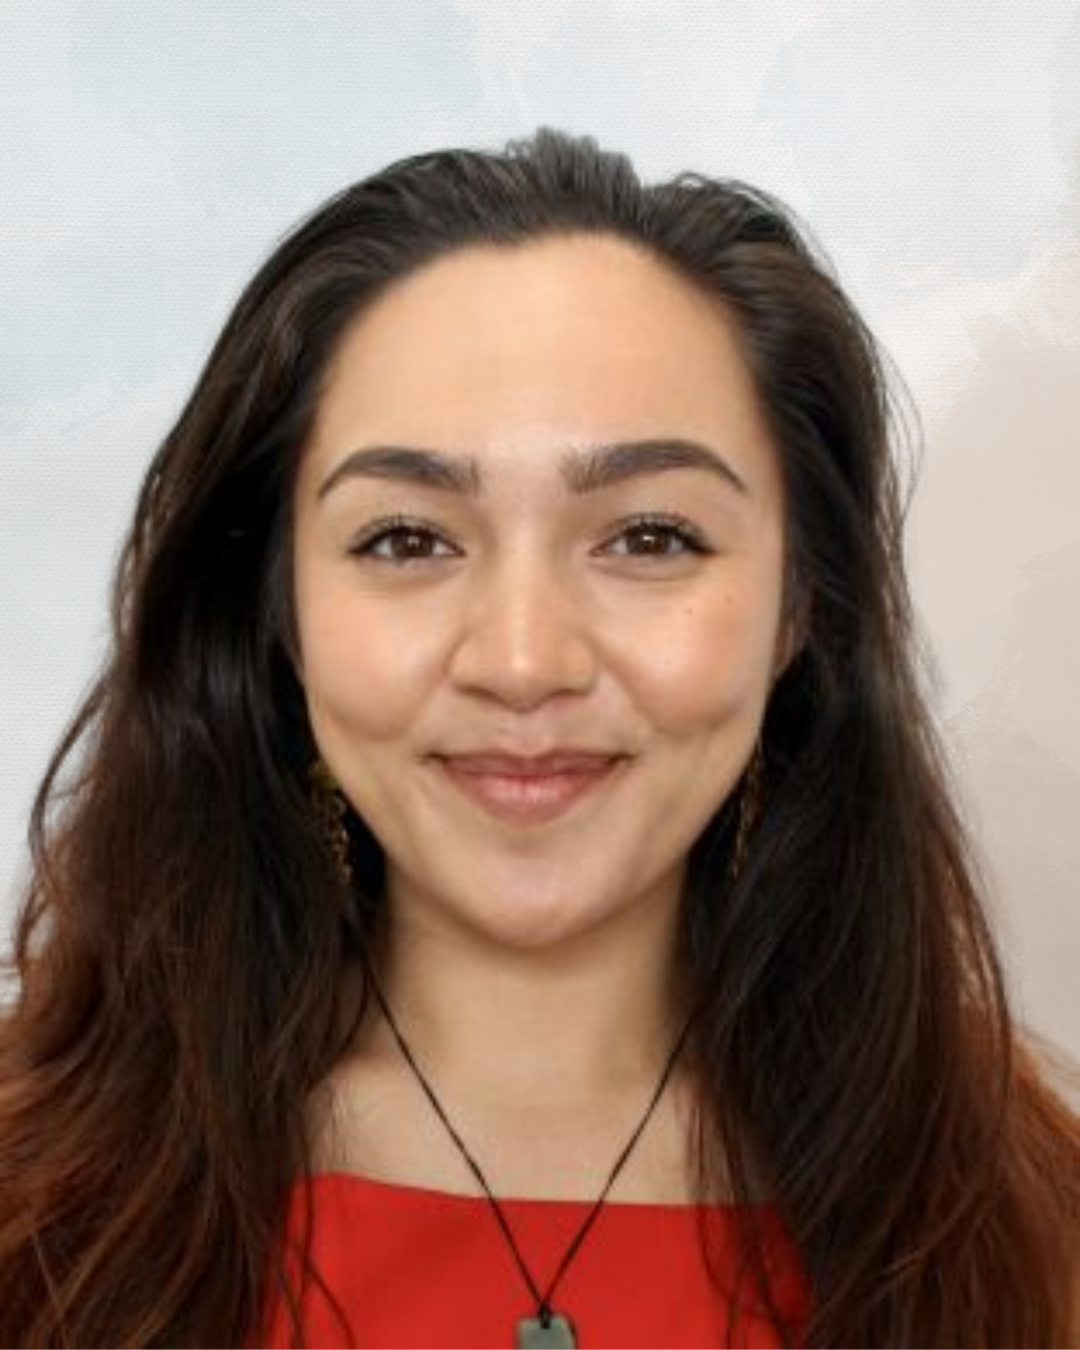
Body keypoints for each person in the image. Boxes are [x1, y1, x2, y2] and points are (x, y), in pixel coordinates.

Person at [0, 126, 1077, 1349]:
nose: (522, 662)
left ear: (799, 610)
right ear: (278, 614)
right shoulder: (33, 1208)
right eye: (406, 539)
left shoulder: (1032, 1230)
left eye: (650, 537)